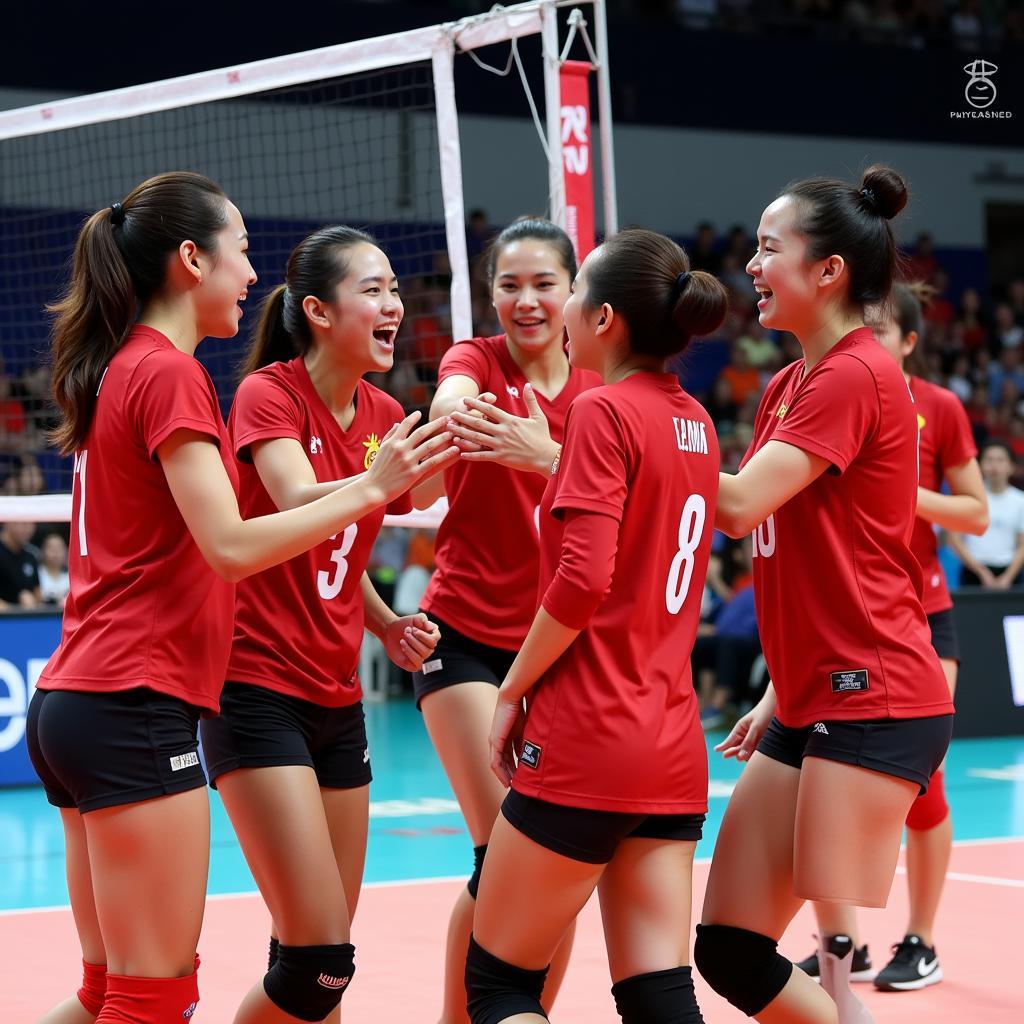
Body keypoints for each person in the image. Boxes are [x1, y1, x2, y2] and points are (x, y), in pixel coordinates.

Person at [24, 172, 455, 1024]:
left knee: (116, 992)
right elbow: (232, 547)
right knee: (153, 997)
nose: (256, 276)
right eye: (244, 252)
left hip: (84, 696)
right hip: (137, 699)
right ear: (192, 259)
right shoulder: (177, 375)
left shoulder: (124, 366)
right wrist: (372, 489)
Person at [694, 166, 955, 1024]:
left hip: (875, 698)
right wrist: (776, 691)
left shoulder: (854, 373)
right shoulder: (785, 384)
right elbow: (805, 555)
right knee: (728, 947)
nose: (752, 266)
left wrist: (591, 445)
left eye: (770, 248)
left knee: (835, 960)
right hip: (815, 695)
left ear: (830, 270)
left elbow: (732, 508)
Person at [454, 228, 729, 1024]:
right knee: (657, 992)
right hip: (672, 747)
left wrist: (512, 687)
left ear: (603, 318)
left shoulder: (602, 411)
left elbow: (583, 578)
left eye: (571, 293)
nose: (559, 309)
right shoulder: (698, 423)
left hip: (587, 736)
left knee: (499, 984)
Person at [198, 225, 445, 1024]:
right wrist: (377, 483)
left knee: (312, 950)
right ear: (317, 309)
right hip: (254, 688)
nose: (393, 306)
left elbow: (341, 546)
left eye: (395, 290)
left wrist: (382, 622)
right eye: (371, 290)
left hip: (338, 701)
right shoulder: (269, 393)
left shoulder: (382, 410)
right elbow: (302, 501)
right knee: (321, 962)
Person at [409, 218, 599, 1024]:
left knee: (554, 877)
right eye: (508, 286)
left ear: (572, 294)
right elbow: (451, 395)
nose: (525, 301)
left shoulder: (598, 386)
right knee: (506, 853)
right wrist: (458, 412)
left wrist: (548, 448)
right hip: (461, 637)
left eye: (543, 284)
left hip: (557, 649)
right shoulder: (476, 363)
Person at [793, 281, 987, 992]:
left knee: (921, 782)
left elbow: (974, 513)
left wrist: (889, 488)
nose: (862, 336)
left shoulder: (937, 407)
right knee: (818, 775)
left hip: (920, 613)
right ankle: (843, 942)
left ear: (908, 341)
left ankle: (922, 940)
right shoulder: (820, 390)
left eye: (880, 329)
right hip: (843, 616)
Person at [948, 439, 1024, 588]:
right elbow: (954, 539)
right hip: (973, 573)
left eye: (1000, 460)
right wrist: (981, 572)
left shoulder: (1020, 501)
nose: (994, 466)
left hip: (1010, 575)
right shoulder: (968, 497)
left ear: (1011, 466)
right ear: (979, 465)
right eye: (989, 460)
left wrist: (1008, 577)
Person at [0, 520, 41, 609]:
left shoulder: (30, 557)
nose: (28, 529)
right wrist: (16, 610)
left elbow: (38, 594)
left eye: (31, 524)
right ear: (8, 523)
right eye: (24, 524)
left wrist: (33, 602)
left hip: (27, 619)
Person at [38, 532, 71, 608]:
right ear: (43, 551)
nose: (55, 552)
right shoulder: (37, 574)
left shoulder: (71, 577)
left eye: (59, 548)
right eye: (51, 548)